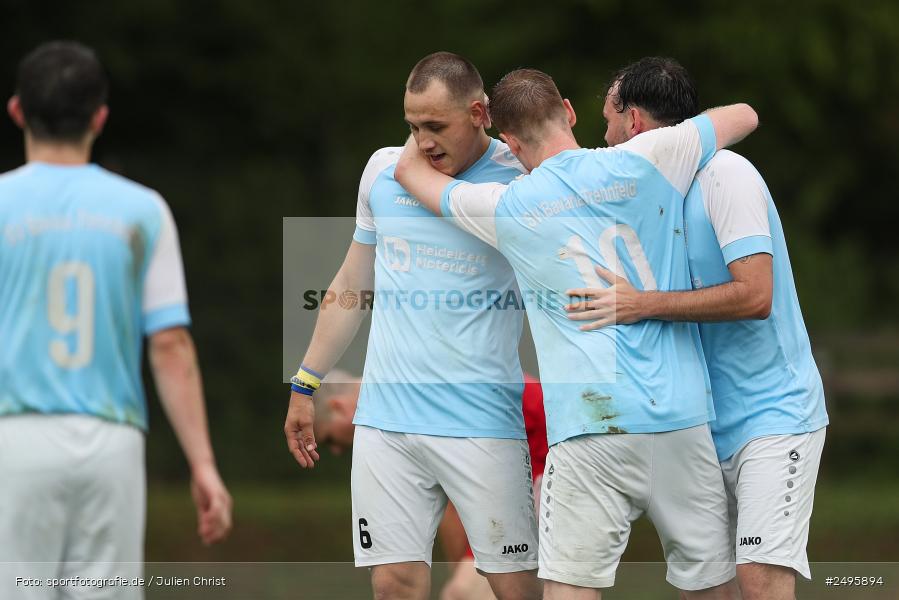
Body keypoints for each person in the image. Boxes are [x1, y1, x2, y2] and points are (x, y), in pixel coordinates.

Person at [395, 68, 758, 599]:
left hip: (591, 428)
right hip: (680, 419)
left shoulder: (508, 206)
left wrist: (426, 126)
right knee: (711, 591)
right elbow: (745, 114)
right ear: (568, 111)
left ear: (509, 143)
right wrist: (668, 137)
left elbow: (411, 173)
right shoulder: (646, 158)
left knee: (569, 591)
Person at [564, 57, 828, 600]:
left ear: (633, 121)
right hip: (698, 427)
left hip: (772, 414)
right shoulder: (641, 197)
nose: (604, 137)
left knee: (759, 580)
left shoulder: (725, 176)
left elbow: (756, 294)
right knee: (706, 588)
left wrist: (643, 304)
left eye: (608, 121)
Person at [284, 52, 541, 600]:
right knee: (394, 584)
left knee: (515, 588)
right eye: (412, 126)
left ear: (479, 113)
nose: (422, 141)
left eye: (435, 125)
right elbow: (350, 284)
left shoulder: (521, 178)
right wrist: (306, 383)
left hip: (483, 422)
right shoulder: (381, 171)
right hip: (387, 424)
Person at [0, 41, 231, 599]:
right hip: (112, 447)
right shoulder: (142, 209)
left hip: (16, 439)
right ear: (100, 117)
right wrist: (202, 463)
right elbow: (171, 344)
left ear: (17, 111)